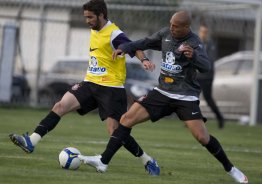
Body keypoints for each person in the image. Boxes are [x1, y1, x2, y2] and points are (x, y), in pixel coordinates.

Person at [78, 11, 248, 183]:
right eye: (171, 24)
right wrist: (124, 47)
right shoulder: (166, 34)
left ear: (186, 28)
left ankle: (231, 169)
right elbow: (145, 42)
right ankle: (103, 161)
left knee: (202, 137)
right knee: (126, 118)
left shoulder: (194, 43)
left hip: (185, 96)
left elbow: (206, 66)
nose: (171, 28)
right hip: (162, 92)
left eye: (176, 26)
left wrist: (194, 56)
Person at [9, 0, 160, 176]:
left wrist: (144, 60)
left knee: (116, 132)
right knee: (60, 106)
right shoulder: (94, 29)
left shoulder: (114, 34)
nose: (87, 21)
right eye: (85, 17)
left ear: (101, 15)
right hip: (90, 83)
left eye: (90, 17)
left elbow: (134, 47)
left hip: (111, 88)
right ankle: (31, 142)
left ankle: (147, 159)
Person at [197, 23, 225, 129]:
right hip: (196, 76)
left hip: (207, 76)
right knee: (192, 98)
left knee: (208, 99)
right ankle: (194, 120)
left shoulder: (211, 45)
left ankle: (220, 118)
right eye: (202, 32)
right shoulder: (195, 44)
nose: (203, 34)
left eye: (205, 32)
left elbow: (209, 60)